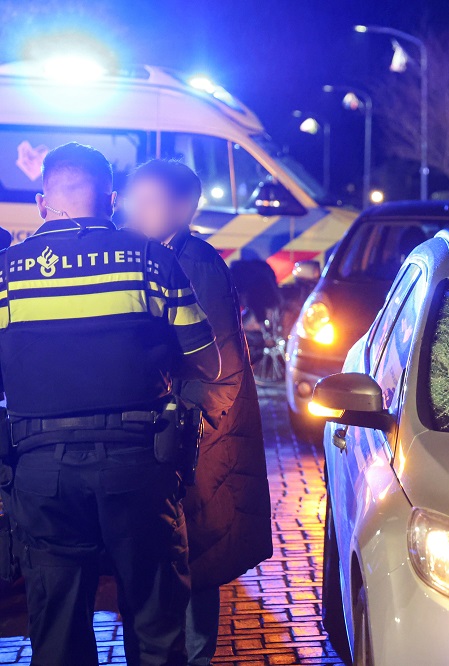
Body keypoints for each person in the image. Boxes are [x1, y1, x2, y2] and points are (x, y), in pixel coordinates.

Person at [0, 142, 221, 665]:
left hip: (40, 472)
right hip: (137, 466)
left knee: (56, 630)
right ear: (112, 198)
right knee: (156, 623)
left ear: (42, 201)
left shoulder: (6, 273)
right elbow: (207, 361)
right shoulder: (151, 260)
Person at [122, 159, 272, 666]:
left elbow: (216, 366)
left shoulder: (197, 261)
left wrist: (167, 406)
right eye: (130, 198)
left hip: (197, 437)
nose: (132, 209)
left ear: (183, 208)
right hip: (176, 429)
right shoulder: (153, 252)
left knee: (194, 558)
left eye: (148, 201)